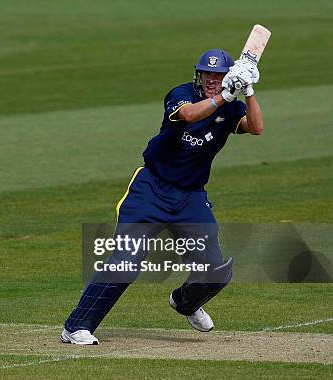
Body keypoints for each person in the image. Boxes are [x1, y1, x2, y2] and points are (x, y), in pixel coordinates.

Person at [61, 49, 263, 345]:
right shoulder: (181, 94)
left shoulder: (230, 105)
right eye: (206, 74)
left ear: (227, 77)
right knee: (126, 262)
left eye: (217, 75)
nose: (211, 80)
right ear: (199, 74)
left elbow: (256, 127)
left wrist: (249, 91)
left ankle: (186, 302)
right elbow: (190, 115)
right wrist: (225, 95)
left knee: (214, 270)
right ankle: (76, 327)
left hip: (190, 198)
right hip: (151, 192)